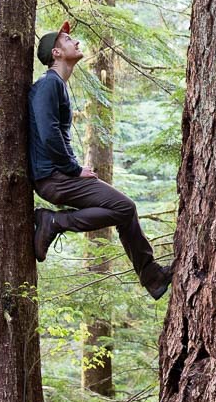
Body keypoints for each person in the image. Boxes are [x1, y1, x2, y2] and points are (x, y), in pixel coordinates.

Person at [28, 21, 173, 300]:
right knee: (125, 207)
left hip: (58, 176)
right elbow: (49, 135)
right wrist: (74, 169)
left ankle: (153, 277)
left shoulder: (56, 85)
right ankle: (54, 223)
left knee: (124, 210)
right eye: (68, 39)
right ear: (56, 53)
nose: (76, 43)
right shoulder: (49, 84)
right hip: (54, 178)